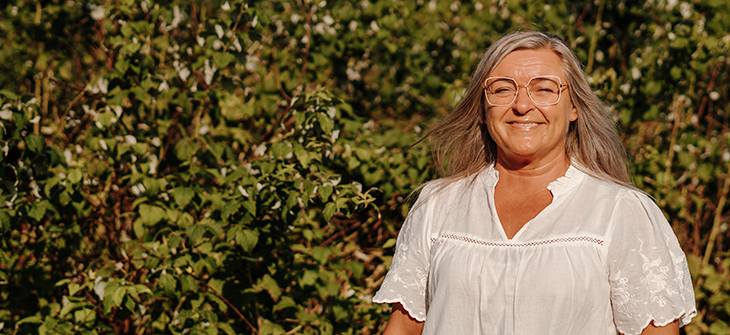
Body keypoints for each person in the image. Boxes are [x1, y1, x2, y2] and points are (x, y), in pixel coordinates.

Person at [372, 31, 697, 335]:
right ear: (484, 110)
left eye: (544, 88)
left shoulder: (620, 211)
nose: (523, 105)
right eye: (502, 89)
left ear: (573, 107)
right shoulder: (437, 204)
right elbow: (403, 328)